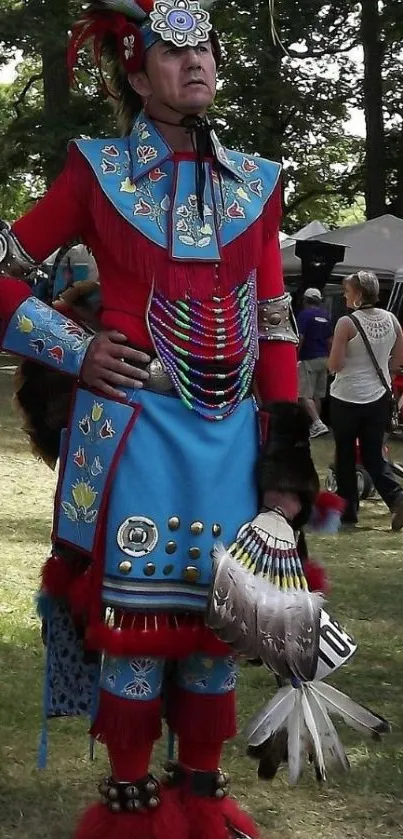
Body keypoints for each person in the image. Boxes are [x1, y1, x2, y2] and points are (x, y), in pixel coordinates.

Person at [0, 3, 303, 838]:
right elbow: (5, 272)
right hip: (133, 434)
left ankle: (201, 797)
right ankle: (131, 807)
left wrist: (284, 468)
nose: (195, 62)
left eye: (203, 47)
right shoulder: (94, 172)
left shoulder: (258, 180)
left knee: (219, 623)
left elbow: (272, 318)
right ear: (137, 76)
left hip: (230, 442)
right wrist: (74, 346)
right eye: (172, 52)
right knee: (134, 628)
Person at [328, 270, 403, 529]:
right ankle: (397, 498)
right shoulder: (392, 320)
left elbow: (335, 364)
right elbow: (398, 361)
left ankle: (348, 511)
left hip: (346, 397)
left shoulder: (347, 323)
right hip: (378, 397)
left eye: (347, 292)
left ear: (358, 294)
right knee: (373, 455)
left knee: (345, 455)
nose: (345, 296)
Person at [297, 287, 332, 438]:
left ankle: (317, 423)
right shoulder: (326, 315)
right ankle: (315, 427)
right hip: (324, 359)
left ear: (305, 300)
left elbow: (301, 337)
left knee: (303, 394)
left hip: (308, 358)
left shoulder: (304, 315)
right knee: (317, 395)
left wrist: (295, 356)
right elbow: (330, 339)